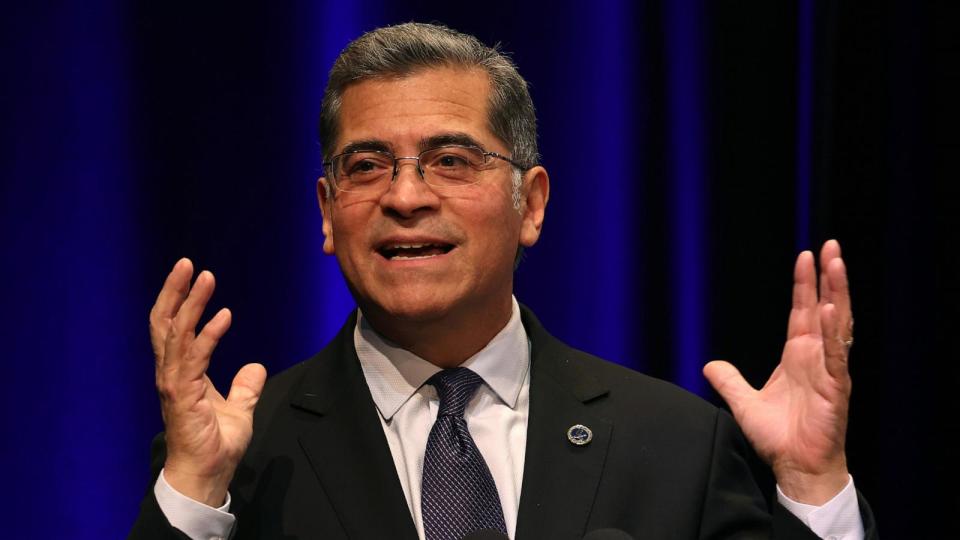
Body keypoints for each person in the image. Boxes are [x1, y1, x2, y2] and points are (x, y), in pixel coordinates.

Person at [129, 22, 877, 540]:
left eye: (452, 160)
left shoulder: (675, 446)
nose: (406, 196)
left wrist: (814, 486)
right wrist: (195, 493)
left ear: (533, 204)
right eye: (366, 166)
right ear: (327, 215)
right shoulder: (241, 460)